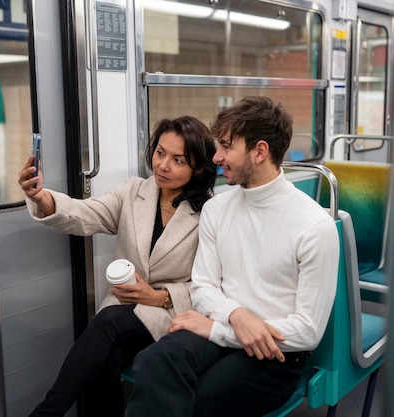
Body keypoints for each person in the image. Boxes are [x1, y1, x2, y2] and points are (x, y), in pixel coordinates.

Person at [124, 96, 340, 417]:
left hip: (275, 354)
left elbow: (307, 331)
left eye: (226, 146)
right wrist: (238, 317)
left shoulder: (314, 226)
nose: (217, 156)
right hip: (222, 327)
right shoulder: (216, 208)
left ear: (260, 151)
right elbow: (203, 288)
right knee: (151, 361)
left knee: (197, 400)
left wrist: (219, 330)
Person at [19, 116, 217, 417]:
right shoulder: (133, 191)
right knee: (104, 359)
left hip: (173, 315)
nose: (163, 165)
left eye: (178, 160)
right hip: (125, 315)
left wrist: (161, 297)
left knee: (107, 321)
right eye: (160, 152)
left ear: (199, 168)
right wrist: (41, 196)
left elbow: (215, 283)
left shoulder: (210, 212)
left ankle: (47, 412)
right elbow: (85, 213)